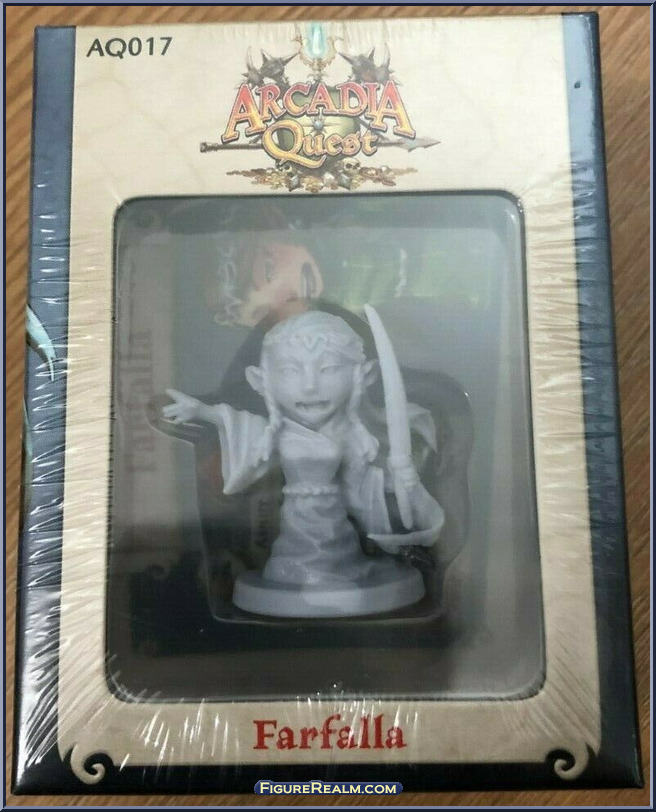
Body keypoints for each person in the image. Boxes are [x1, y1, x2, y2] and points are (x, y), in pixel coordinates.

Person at [162, 310, 444, 617]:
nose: (310, 386)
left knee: (339, 550)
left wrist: (401, 480)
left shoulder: (353, 435)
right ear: (261, 380)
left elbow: (363, 482)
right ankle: (303, 572)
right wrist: (201, 411)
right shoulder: (276, 432)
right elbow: (239, 423)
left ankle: (338, 569)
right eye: (291, 371)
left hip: (336, 521)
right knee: (301, 554)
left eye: (329, 369)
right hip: (298, 522)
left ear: (363, 375)